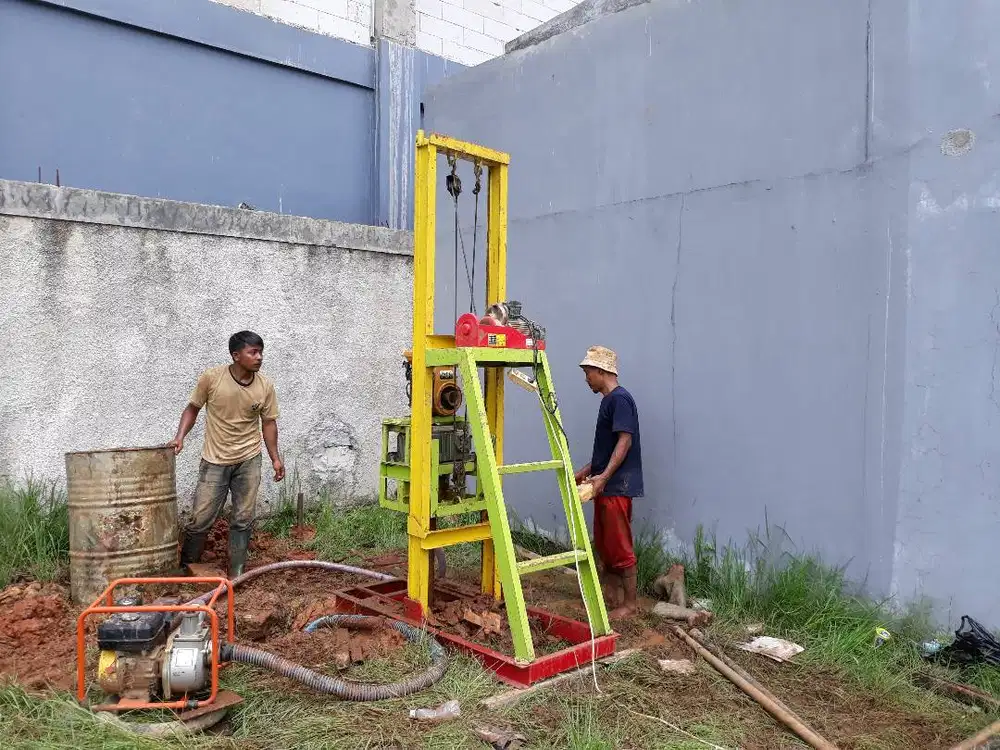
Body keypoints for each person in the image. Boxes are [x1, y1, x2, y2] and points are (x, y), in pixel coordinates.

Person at [169, 330, 285, 578]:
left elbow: (268, 423)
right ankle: (186, 568)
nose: (259, 357)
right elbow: (192, 409)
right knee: (201, 519)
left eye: (261, 352)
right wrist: (180, 437)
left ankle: (236, 572)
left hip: (249, 459)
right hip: (215, 460)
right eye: (253, 352)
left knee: (243, 518)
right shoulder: (212, 379)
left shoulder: (265, 386)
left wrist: (275, 458)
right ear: (236, 355)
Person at [574, 345, 643, 619]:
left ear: (602, 371)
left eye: (588, 372)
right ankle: (610, 595)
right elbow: (608, 450)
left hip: (616, 486)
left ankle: (630, 605)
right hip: (605, 484)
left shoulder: (620, 400)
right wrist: (588, 470)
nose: (586, 379)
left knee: (619, 544)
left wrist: (603, 477)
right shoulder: (609, 401)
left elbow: (624, 442)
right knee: (605, 543)